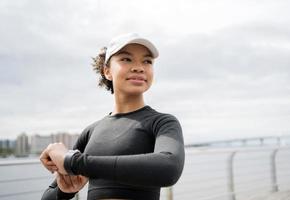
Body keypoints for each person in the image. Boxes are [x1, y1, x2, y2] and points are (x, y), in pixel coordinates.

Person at [40, 33, 185, 200]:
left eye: (147, 61)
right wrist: (64, 191)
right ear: (107, 71)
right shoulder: (91, 131)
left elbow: (168, 168)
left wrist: (72, 162)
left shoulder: (162, 123)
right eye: (126, 59)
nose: (139, 67)